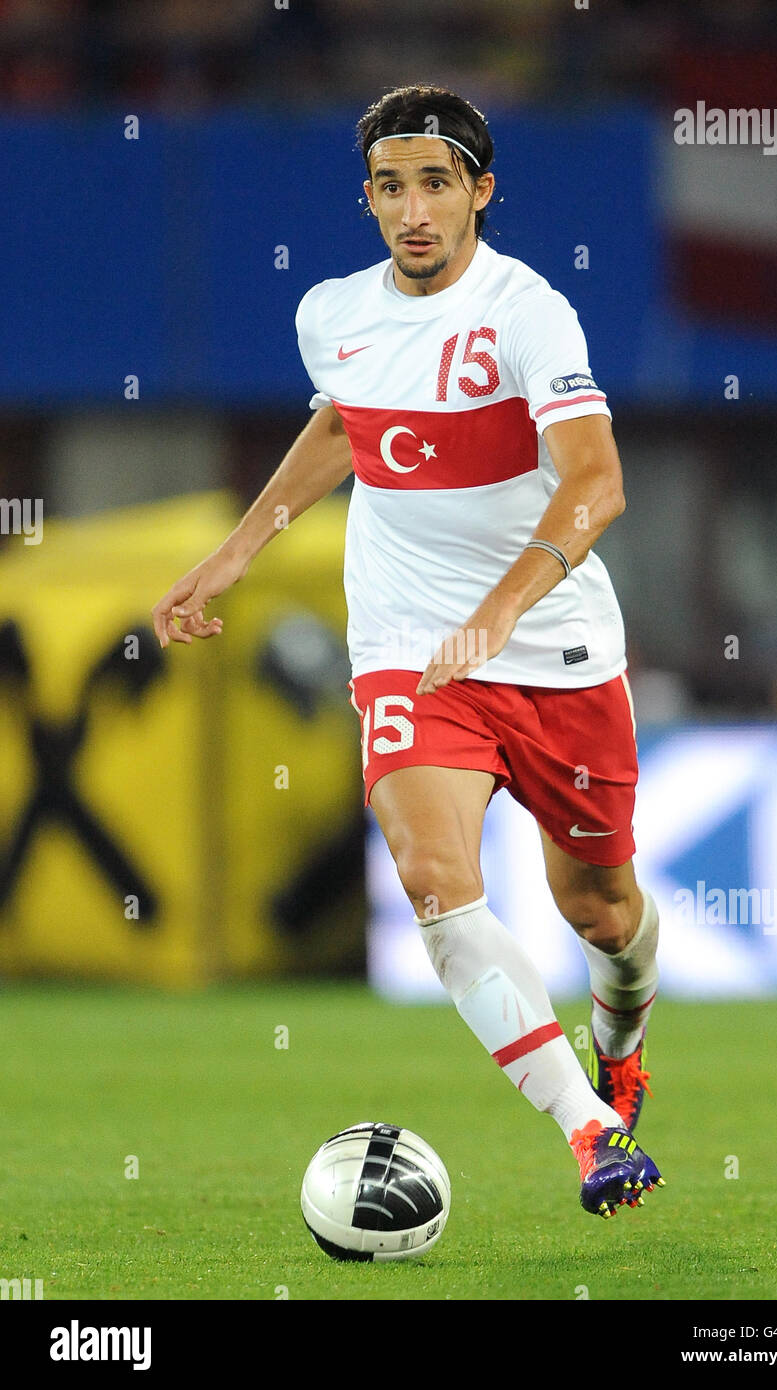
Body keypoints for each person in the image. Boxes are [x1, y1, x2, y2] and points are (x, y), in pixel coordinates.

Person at [152, 84, 663, 1220]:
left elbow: (597, 483)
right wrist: (238, 548)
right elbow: (344, 418)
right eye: (391, 187)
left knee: (603, 915)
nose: (413, 209)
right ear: (368, 201)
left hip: (554, 648)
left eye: (436, 182)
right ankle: (588, 1128)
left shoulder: (527, 313)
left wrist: (499, 610)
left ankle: (619, 1039)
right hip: (404, 644)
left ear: (481, 191)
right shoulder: (332, 311)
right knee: (435, 881)